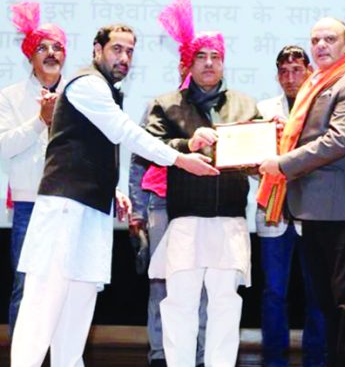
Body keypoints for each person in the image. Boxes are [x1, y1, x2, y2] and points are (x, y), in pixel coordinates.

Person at [9, 21, 218, 367]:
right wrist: (180, 159)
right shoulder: (87, 83)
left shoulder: (103, 88)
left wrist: (114, 189)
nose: (124, 57)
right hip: (64, 210)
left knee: (77, 311)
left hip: (90, 211)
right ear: (97, 50)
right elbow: (124, 132)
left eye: (130, 51)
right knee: (41, 311)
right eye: (116, 49)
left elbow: (90, 148)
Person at [145, 0, 259, 367]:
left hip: (230, 220)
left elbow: (260, 155)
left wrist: (262, 161)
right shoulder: (166, 104)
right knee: (179, 304)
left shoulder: (245, 105)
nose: (209, 63)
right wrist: (185, 144)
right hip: (186, 220)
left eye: (215, 56)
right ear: (189, 63)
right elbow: (151, 146)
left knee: (226, 306)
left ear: (223, 61)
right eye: (201, 57)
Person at [258, 17, 345, 367]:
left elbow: (337, 140)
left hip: (340, 210)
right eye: (316, 40)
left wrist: (283, 162)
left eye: (330, 39)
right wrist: (282, 134)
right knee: (327, 304)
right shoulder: (318, 84)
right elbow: (311, 136)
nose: (321, 45)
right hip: (312, 210)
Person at [256, 45, 325, 367]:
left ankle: (316, 357)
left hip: (312, 211)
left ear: (309, 71)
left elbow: (327, 154)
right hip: (272, 211)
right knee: (273, 291)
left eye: (297, 69)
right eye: (283, 71)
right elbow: (252, 161)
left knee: (317, 291)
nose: (290, 77)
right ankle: (273, 358)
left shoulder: (321, 107)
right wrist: (268, 136)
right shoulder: (264, 109)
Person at [0, 1, 66, 337]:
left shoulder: (80, 94)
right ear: (30, 56)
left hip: (72, 205)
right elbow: (4, 145)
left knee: (68, 289)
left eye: (57, 47)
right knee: (26, 286)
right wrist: (40, 122)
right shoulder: (9, 97)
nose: (52, 53)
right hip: (29, 204)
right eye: (43, 47)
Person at [129, 106, 208, 366]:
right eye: (187, 63)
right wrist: (137, 211)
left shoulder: (211, 110)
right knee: (160, 282)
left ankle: (200, 355)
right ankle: (160, 354)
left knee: (202, 283)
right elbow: (139, 158)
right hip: (161, 203)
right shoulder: (161, 108)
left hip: (200, 206)